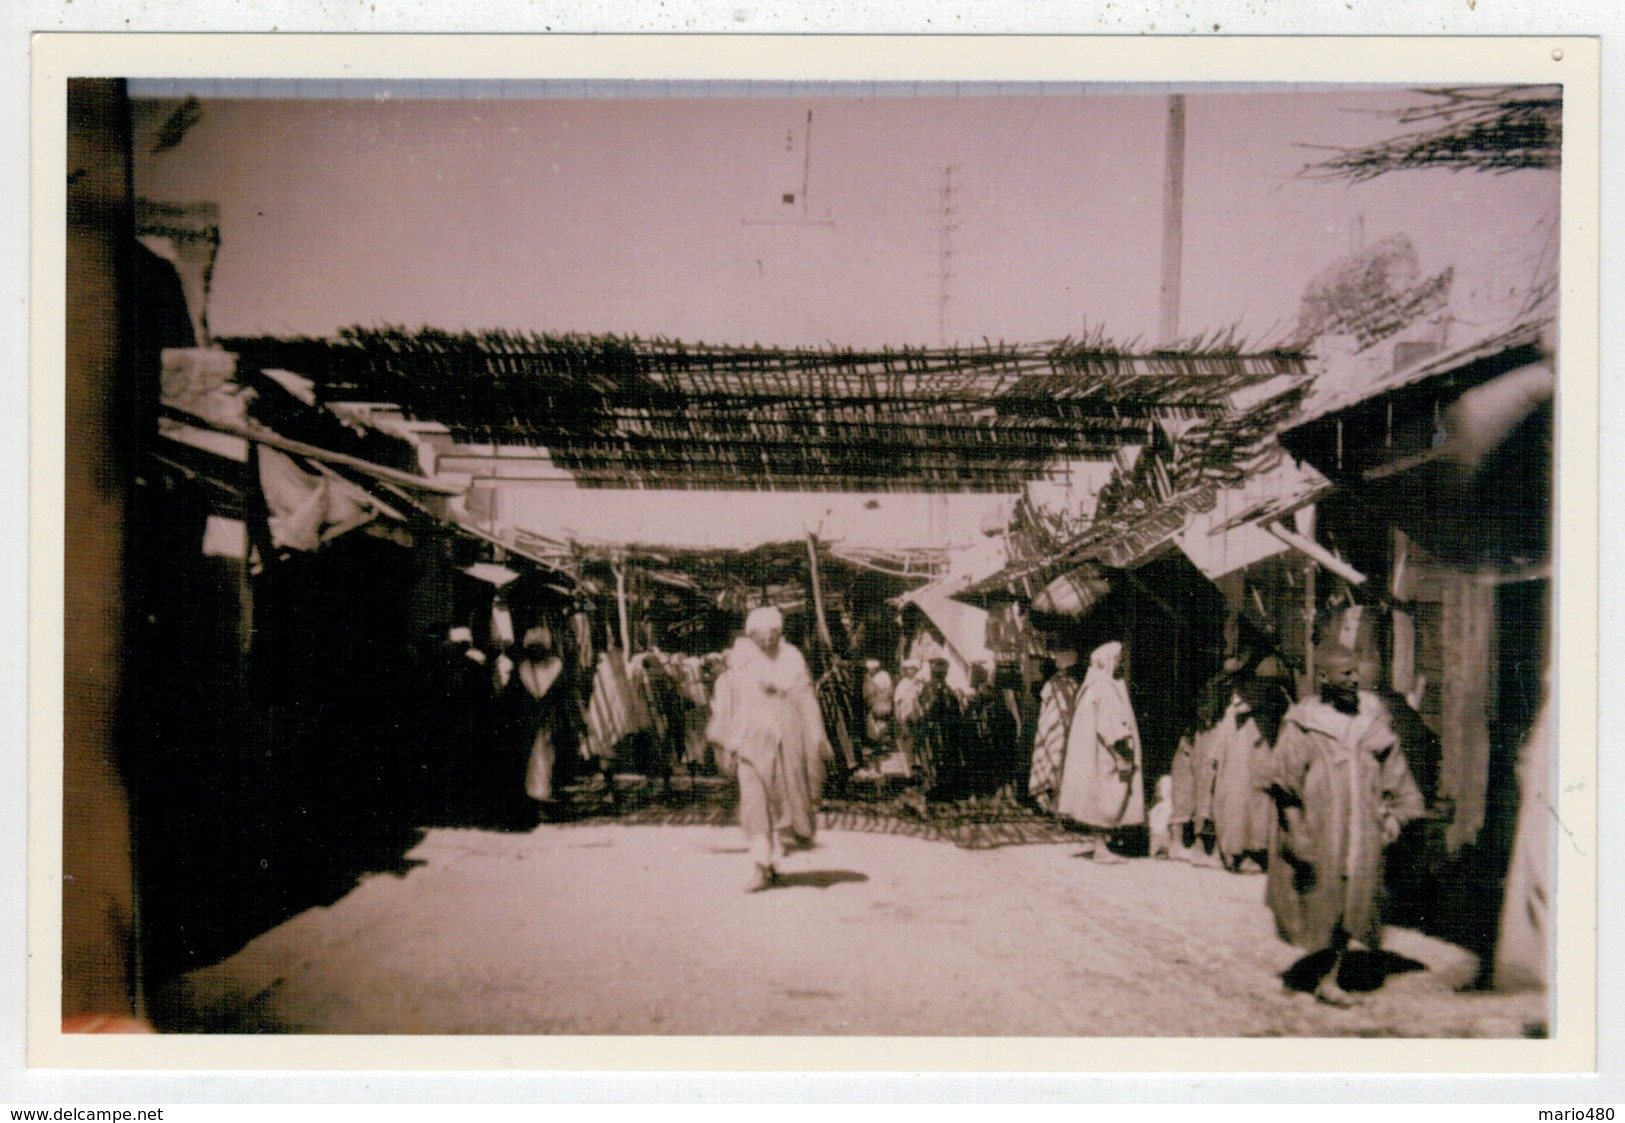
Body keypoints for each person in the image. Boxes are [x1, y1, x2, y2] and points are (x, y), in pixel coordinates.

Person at [1265, 637, 1426, 1007]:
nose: (1355, 679)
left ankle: (1329, 977)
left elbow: (1394, 769)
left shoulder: (1370, 720)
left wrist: (1396, 813)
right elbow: (1283, 783)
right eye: (1346, 672)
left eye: (1357, 671)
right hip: (1321, 828)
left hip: (1362, 828)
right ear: (1323, 677)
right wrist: (1297, 831)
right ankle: (1322, 975)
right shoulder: (1304, 723)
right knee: (1323, 900)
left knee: (1354, 901)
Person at [705, 607, 833, 892]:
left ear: (779, 633)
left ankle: (772, 860)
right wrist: (726, 745)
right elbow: (727, 704)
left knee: (782, 804)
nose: (766, 640)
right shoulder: (741, 661)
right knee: (754, 804)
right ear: (750, 635)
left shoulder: (792, 659)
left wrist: (816, 735)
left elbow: (806, 699)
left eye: (772, 634)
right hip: (749, 745)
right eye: (759, 635)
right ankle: (760, 867)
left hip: (785, 745)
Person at [1054, 640, 1145, 864]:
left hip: (1095, 754)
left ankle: (1103, 845)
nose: (1121, 664)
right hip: (1104, 755)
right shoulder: (1104, 689)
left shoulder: (1091, 687)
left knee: (1099, 798)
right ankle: (1101, 848)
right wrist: (1119, 756)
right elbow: (1109, 726)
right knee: (1105, 798)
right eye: (1118, 660)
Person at [1028, 640, 1084, 813]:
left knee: (1053, 761)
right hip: (1060, 728)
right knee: (1058, 761)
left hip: (1053, 728)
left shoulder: (1053, 683)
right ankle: (1051, 801)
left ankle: (1050, 801)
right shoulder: (1072, 684)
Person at [517, 625, 567, 819]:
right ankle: (535, 802)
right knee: (532, 761)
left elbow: (563, 696)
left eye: (539, 648)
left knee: (549, 760)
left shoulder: (555, 667)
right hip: (530, 722)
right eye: (532, 648)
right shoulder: (523, 669)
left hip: (550, 720)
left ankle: (545, 801)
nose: (536, 652)